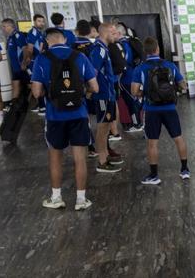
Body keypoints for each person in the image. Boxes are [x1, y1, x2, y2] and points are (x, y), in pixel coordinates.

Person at [29, 27, 98, 211]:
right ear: (64, 40)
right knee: (80, 158)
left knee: (55, 157)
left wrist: (47, 92)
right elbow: (95, 87)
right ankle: (81, 199)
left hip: (54, 116)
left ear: (47, 41)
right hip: (79, 114)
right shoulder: (80, 57)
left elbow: (36, 92)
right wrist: (83, 95)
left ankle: (56, 197)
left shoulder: (42, 59)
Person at [132, 38, 190, 185]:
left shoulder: (140, 68)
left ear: (145, 51)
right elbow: (183, 85)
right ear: (157, 49)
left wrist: (144, 94)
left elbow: (134, 91)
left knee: (152, 142)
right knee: (178, 138)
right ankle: (184, 170)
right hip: (170, 108)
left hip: (151, 110)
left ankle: (154, 175)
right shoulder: (170, 65)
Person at [87, 23, 123, 173]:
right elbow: (92, 73)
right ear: (106, 32)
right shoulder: (99, 50)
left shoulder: (104, 49)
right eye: (113, 32)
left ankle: (106, 155)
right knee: (102, 128)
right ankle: (102, 161)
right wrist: (92, 91)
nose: (116, 35)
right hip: (102, 95)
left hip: (108, 94)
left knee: (107, 126)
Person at [1, 18, 31, 106]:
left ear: (10, 26)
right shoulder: (10, 37)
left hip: (21, 67)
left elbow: (25, 49)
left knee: (30, 86)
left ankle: (38, 103)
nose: (3, 28)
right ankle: (14, 105)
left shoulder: (17, 35)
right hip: (15, 68)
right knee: (15, 86)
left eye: (4, 26)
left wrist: (24, 63)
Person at [26, 14, 48, 114]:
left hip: (39, 61)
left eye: (42, 21)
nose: (41, 23)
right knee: (38, 83)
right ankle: (42, 107)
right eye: (39, 21)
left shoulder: (40, 33)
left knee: (40, 83)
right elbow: (30, 49)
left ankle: (40, 105)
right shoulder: (33, 32)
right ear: (34, 22)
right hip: (34, 62)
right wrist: (28, 62)